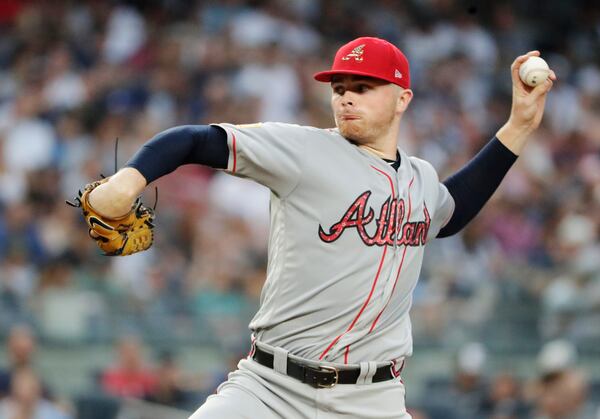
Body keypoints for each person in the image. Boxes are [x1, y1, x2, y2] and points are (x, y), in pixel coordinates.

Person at [83, 37, 555, 418]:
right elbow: (196, 139)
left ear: (402, 99)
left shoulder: (421, 180)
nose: (346, 95)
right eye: (339, 86)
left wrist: (518, 126)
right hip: (270, 388)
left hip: (372, 400)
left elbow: (452, 213)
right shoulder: (303, 151)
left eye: (364, 86)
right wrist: (129, 179)